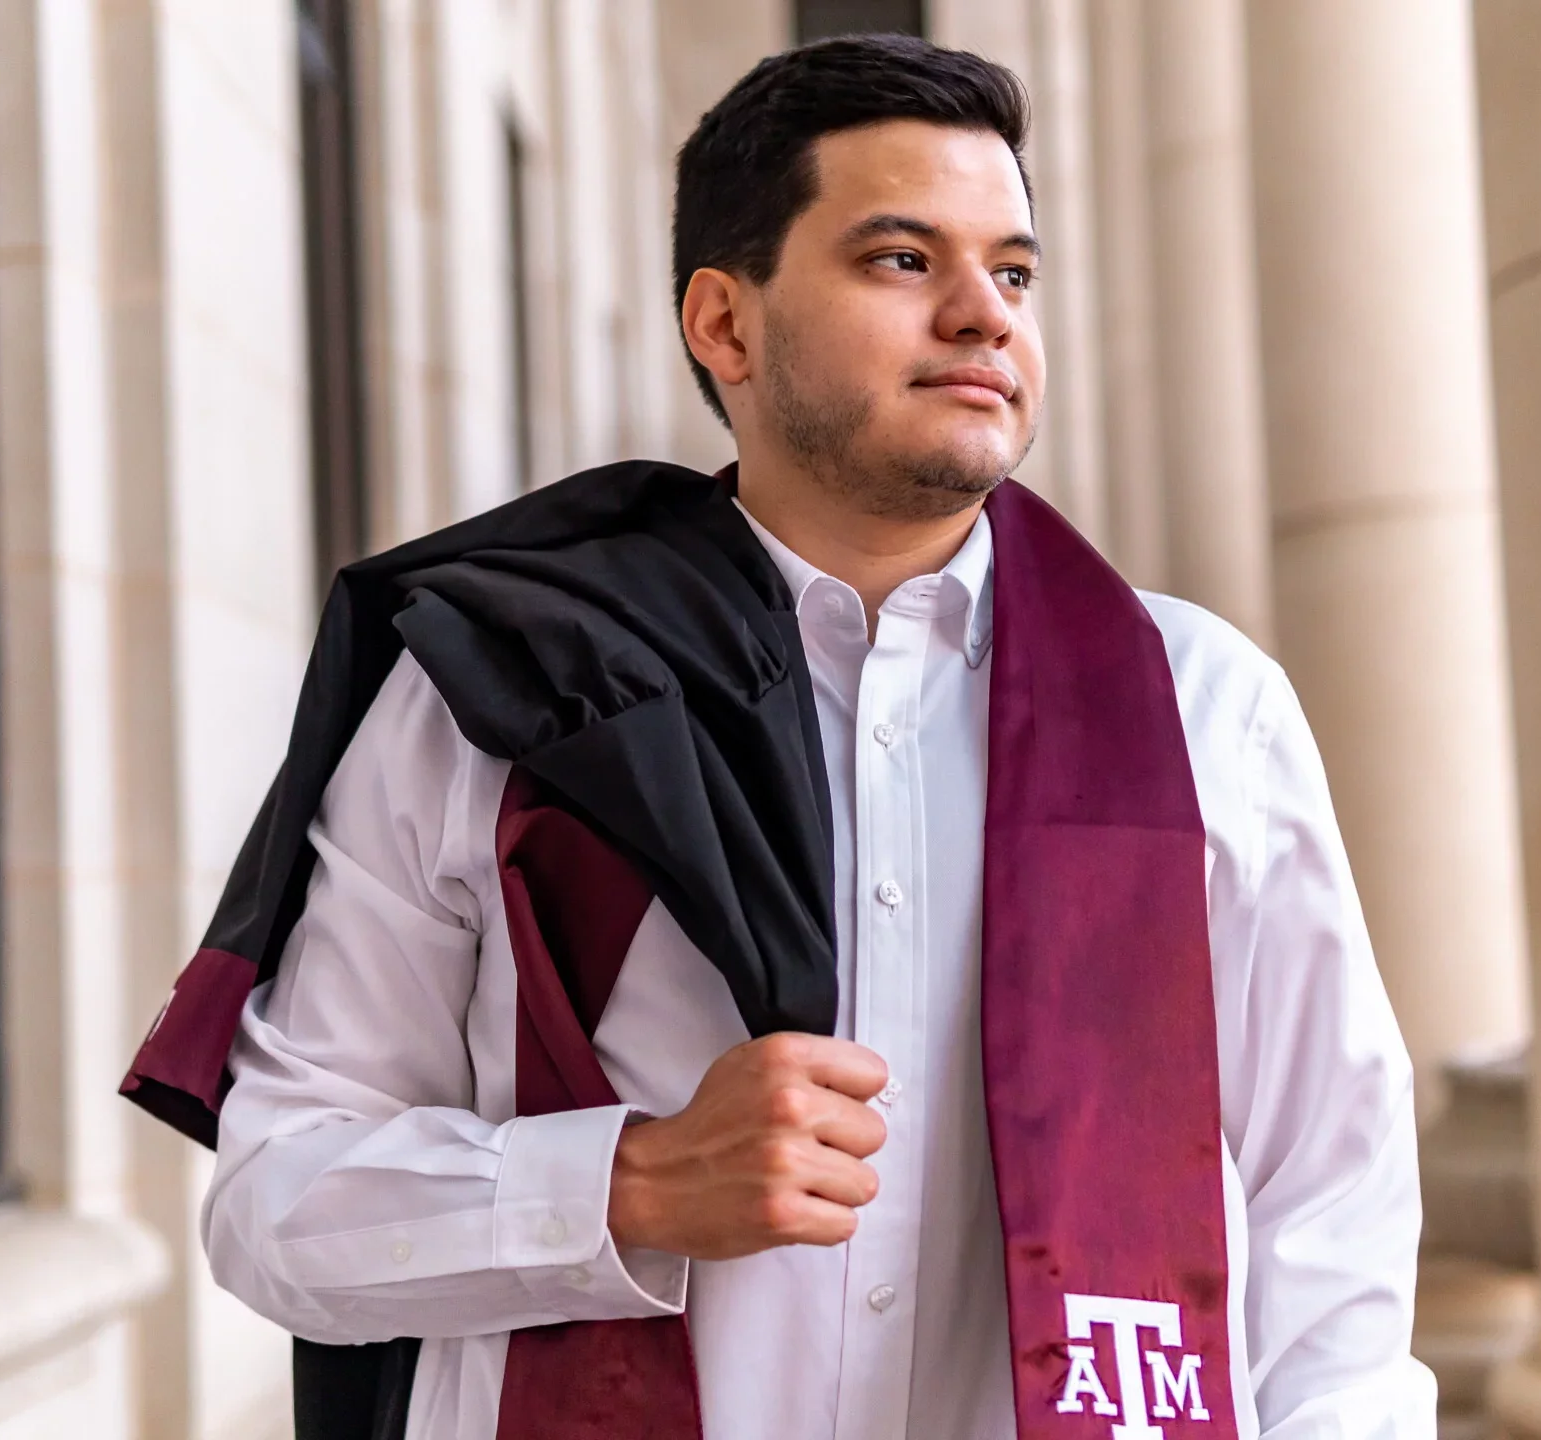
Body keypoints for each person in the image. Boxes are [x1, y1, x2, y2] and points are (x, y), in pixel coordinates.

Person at [124, 34, 1436, 1440]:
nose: (983, 316)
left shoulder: (1205, 713)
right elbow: (273, 1202)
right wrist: (628, 1184)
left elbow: (1330, 1235)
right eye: (902, 259)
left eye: (1012, 272)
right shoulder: (501, 699)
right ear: (725, 325)